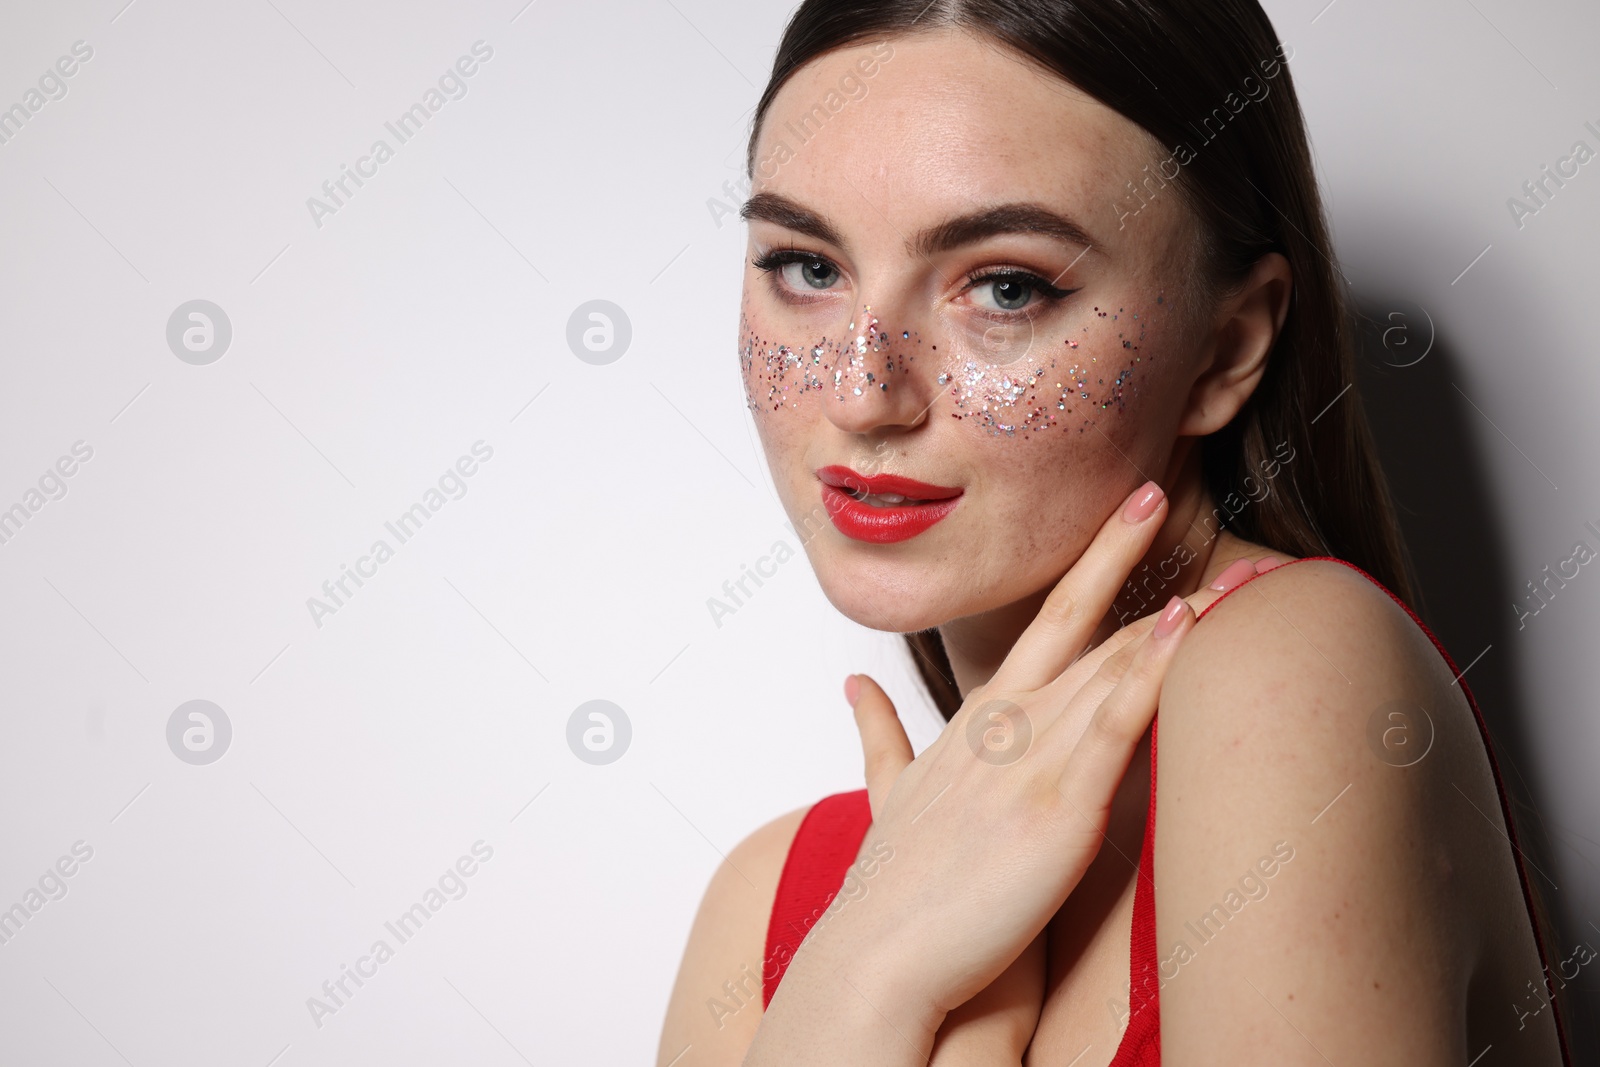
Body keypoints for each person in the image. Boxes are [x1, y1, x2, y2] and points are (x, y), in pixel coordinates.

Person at [658, 1, 1573, 1062]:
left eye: (1005, 286)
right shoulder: (768, 904)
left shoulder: (1292, 674)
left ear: (1226, 347)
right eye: (808, 267)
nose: (863, 393)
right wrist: (856, 988)